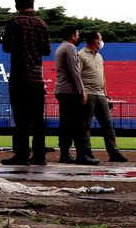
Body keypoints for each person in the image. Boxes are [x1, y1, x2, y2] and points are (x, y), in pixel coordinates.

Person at [1, 0, 50, 166]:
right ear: (33, 3)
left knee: (21, 119)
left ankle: (22, 154)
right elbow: (46, 50)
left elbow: (6, 47)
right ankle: (39, 156)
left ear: (16, 4)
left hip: (19, 77)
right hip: (37, 78)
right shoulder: (42, 24)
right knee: (37, 120)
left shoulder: (13, 22)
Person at [77, 31, 129, 163]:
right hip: (88, 93)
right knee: (85, 125)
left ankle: (114, 153)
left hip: (100, 94)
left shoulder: (99, 56)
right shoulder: (81, 55)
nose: (102, 41)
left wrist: (106, 94)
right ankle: (86, 153)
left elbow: (102, 77)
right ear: (95, 40)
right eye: (101, 38)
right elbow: (77, 75)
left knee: (108, 125)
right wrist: (82, 91)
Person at [54, 28, 100, 165]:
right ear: (72, 36)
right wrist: (81, 90)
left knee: (65, 124)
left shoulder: (60, 48)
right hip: (70, 91)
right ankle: (82, 155)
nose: (79, 37)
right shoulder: (70, 48)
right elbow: (74, 71)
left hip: (61, 90)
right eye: (77, 35)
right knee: (78, 124)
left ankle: (64, 154)